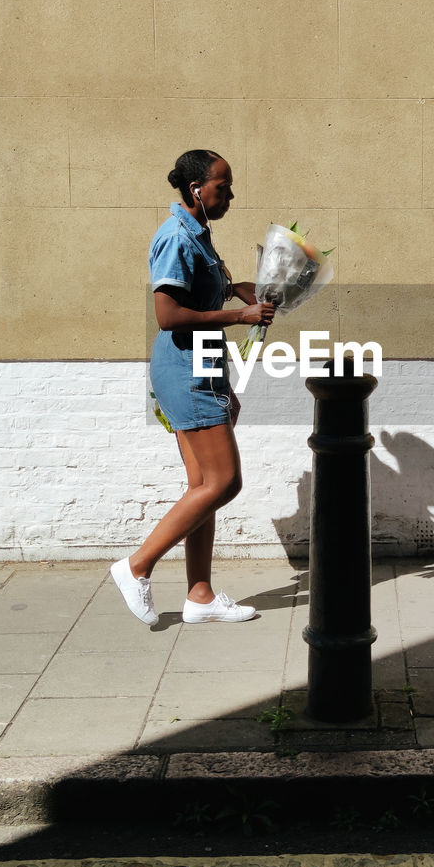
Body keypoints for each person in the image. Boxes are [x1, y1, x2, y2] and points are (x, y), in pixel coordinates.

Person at [111, 150, 275, 626]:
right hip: (184, 366)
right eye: (222, 186)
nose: (229, 194)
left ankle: (199, 596)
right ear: (196, 190)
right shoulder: (176, 236)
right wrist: (240, 316)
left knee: (202, 485)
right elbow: (169, 315)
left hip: (202, 364)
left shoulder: (198, 232)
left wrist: (238, 287)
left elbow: (196, 295)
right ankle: (136, 565)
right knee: (225, 482)